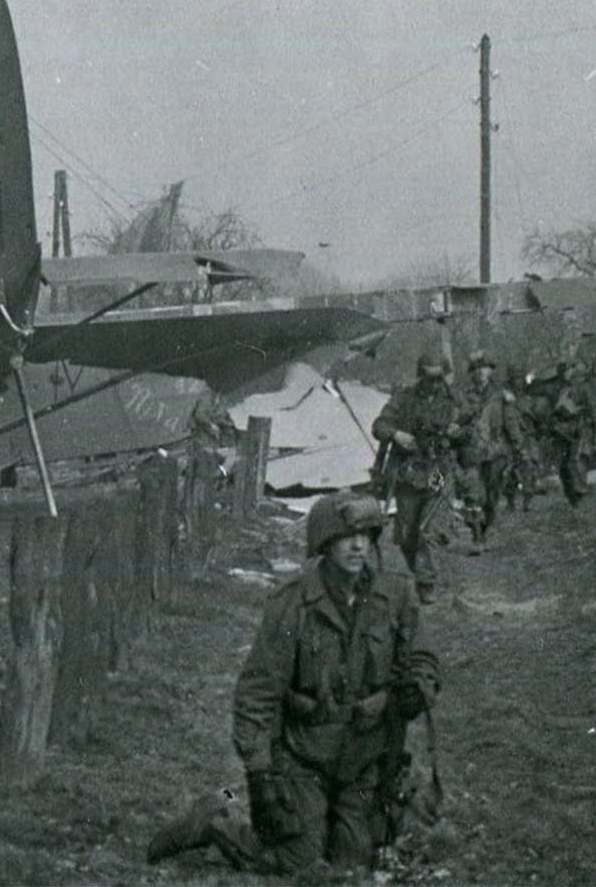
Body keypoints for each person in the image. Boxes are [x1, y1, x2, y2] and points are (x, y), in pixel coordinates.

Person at [145, 493, 441, 876]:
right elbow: (257, 692)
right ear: (324, 542)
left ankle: (341, 823)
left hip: (366, 769)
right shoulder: (294, 602)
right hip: (303, 763)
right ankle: (218, 817)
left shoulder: (396, 596)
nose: (358, 546)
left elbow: (425, 659)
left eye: (366, 536)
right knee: (300, 860)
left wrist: (417, 686)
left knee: (354, 860)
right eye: (346, 537)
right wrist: (259, 773)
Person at [371, 352, 468, 603]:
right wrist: (396, 434)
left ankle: (426, 583)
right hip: (409, 473)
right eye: (428, 377)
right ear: (420, 375)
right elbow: (379, 425)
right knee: (407, 534)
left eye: (438, 377)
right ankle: (420, 571)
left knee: (429, 528)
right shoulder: (404, 398)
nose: (434, 383)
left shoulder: (456, 400)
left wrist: (458, 433)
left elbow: (471, 433)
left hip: (438, 471)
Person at [455, 351, 523, 551]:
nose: (480, 373)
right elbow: (457, 421)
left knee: (492, 499)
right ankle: (476, 536)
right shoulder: (465, 396)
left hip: (496, 454)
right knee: (473, 495)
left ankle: (483, 529)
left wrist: (518, 446)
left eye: (484, 368)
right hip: (472, 453)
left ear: (491, 371)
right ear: (471, 373)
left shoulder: (502, 396)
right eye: (476, 369)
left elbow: (511, 423)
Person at [544, 360, 596, 507]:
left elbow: (593, 411)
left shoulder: (583, 388)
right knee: (563, 466)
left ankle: (580, 493)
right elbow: (551, 410)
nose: (566, 374)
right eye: (564, 371)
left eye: (569, 370)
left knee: (576, 461)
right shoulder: (558, 389)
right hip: (561, 431)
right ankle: (572, 497)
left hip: (579, 429)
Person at [502, 365, 545, 512]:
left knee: (530, 468)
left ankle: (527, 502)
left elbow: (537, 417)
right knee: (510, 469)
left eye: (521, 378)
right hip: (509, 438)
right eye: (515, 378)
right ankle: (510, 502)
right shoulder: (506, 398)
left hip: (528, 436)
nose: (519, 382)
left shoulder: (529, 398)